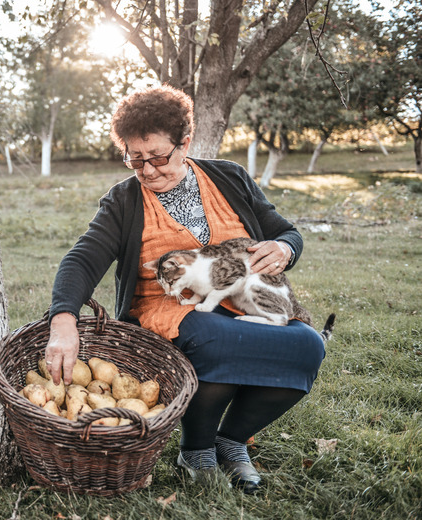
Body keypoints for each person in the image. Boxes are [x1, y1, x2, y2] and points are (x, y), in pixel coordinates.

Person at [44, 85, 326, 494]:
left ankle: (231, 440)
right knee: (217, 341)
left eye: (159, 157)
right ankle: (196, 450)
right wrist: (63, 320)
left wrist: (284, 247)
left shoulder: (229, 176)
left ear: (185, 143)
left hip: (244, 301)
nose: (148, 170)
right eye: (135, 159)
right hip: (168, 308)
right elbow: (82, 258)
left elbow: (285, 231)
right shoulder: (123, 201)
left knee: (308, 347)